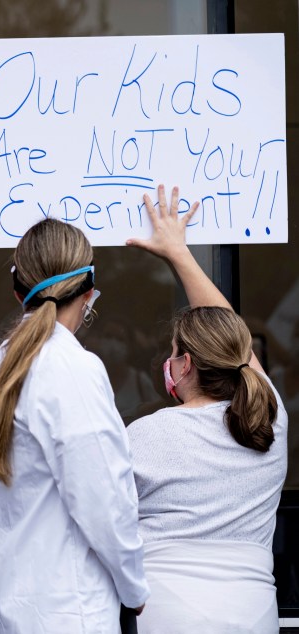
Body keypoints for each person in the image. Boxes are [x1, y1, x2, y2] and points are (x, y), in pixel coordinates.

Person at [0, 218, 149, 633]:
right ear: (88, 290)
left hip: (10, 609)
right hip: (69, 610)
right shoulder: (73, 368)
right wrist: (134, 589)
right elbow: (103, 497)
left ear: (16, 291)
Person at [125, 185, 287, 633]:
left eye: (174, 351)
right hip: (254, 614)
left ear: (186, 364)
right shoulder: (269, 420)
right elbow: (233, 338)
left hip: (167, 614)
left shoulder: (146, 435)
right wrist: (180, 253)